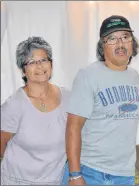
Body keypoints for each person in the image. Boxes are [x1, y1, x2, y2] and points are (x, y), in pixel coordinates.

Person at [62, 15, 139, 185]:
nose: (120, 44)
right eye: (112, 39)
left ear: (132, 43)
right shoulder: (88, 75)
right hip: (91, 171)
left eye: (125, 37)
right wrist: (74, 174)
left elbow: (137, 106)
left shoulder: (133, 76)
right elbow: (73, 126)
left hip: (124, 175)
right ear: (103, 46)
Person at [0, 36, 70, 185]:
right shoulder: (15, 104)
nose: (39, 66)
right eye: (31, 62)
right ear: (23, 70)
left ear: (51, 64)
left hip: (54, 181)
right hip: (17, 181)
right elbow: (1, 144)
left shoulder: (68, 98)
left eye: (44, 60)